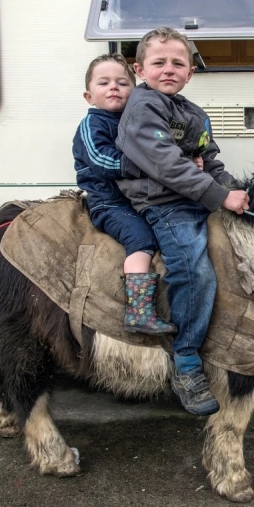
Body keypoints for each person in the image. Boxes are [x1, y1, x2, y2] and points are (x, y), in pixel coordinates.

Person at [115, 28, 250, 416]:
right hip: (163, 205)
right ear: (140, 69)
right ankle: (186, 361)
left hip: (194, 199)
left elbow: (212, 161)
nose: (169, 69)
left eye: (178, 63)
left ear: (191, 72)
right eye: (159, 63)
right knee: (194, 269)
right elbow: (165, 163)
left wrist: (232, 189)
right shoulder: (143, 106)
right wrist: (217, 194)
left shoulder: (193, 113)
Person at [72, 53, 177, 334]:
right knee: (140, 238)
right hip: (109, 203)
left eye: (121, 82)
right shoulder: (91, 126)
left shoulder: (133, 122)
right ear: (88, 96)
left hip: (137, 199)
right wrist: (145, 165)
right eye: (104, 83)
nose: (113, 87)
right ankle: (139, 312)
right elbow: (102, 161)